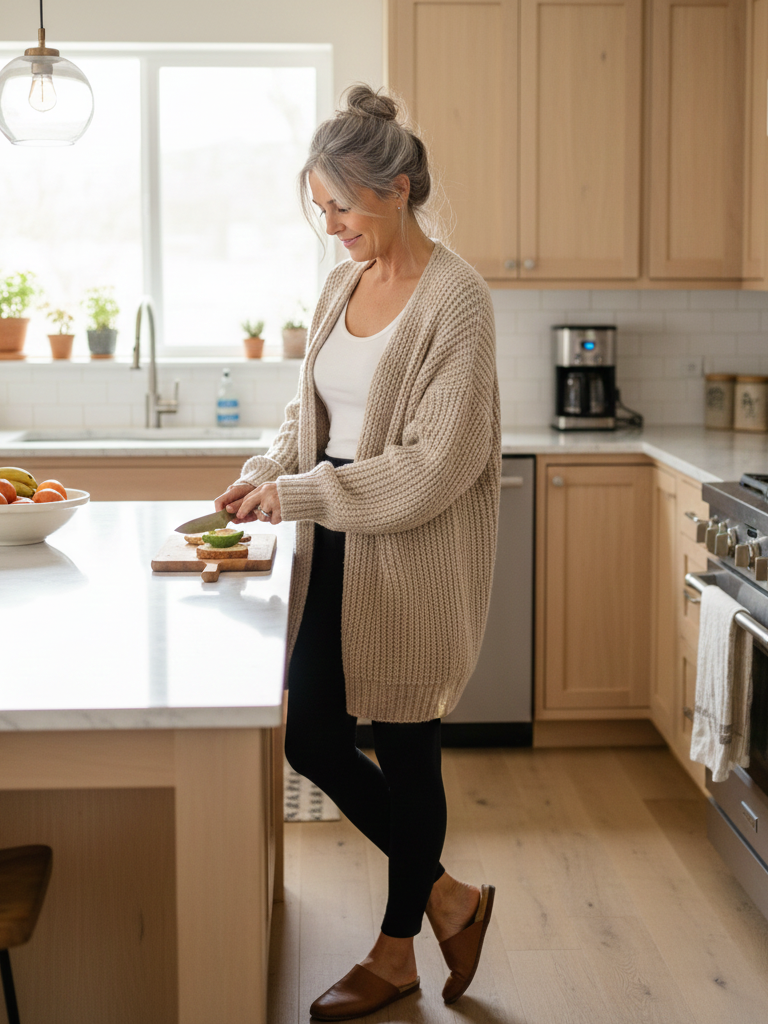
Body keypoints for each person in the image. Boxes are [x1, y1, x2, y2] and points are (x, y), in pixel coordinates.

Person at [215, 83, 501, 1022]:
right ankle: (452, 901)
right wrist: (266, 468)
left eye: (342, 205)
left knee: (409, 751)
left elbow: (430, 466)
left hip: (415, 562)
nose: (331, 225)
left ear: (400, 188)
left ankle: (394, 955)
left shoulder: (457, 302)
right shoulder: (345, 282)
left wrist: (296, 493)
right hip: (339, 547)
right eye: (321, 207)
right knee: (312, 737)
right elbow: (317, 413)